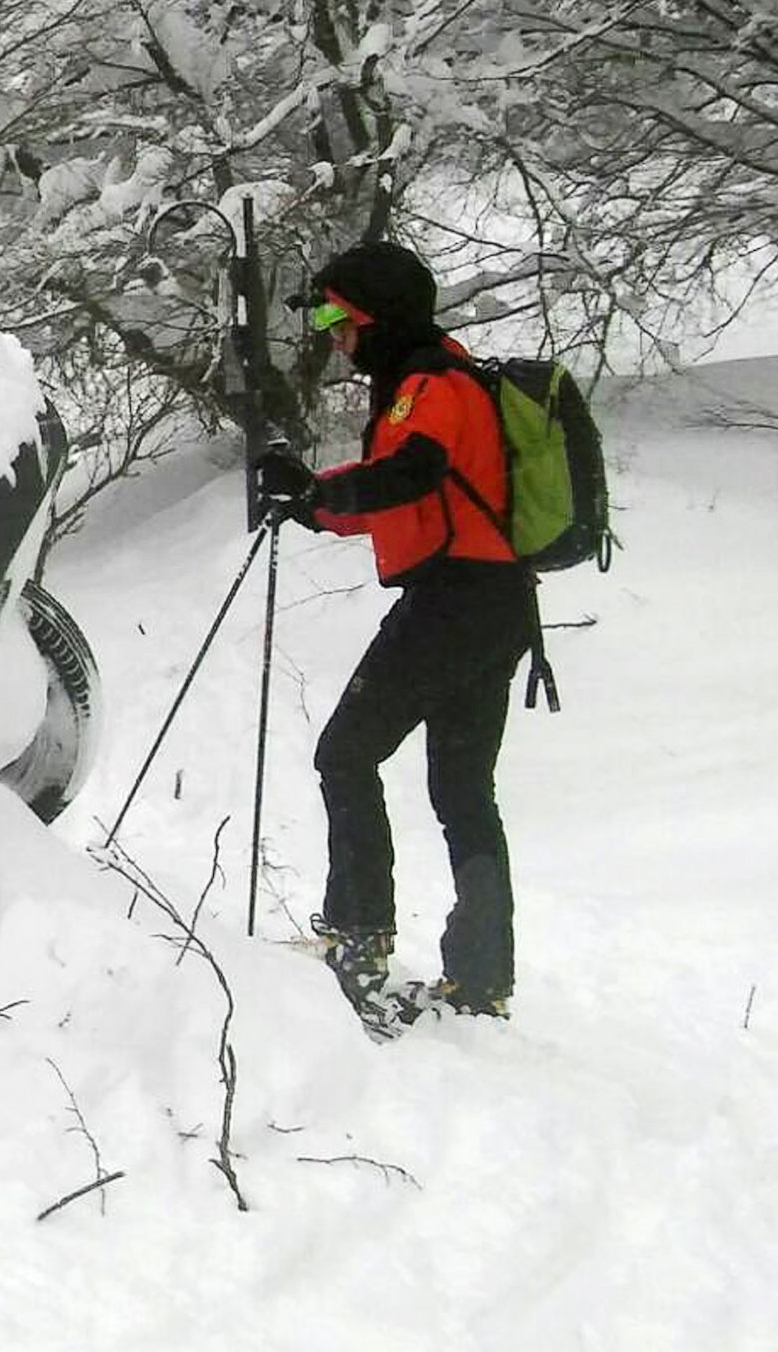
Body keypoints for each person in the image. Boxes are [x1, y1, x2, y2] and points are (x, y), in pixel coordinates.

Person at [254, 238, 531, 1019]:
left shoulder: (429, 384)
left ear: (379, 316)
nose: (335, 336)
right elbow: (410, 496)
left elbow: (411, 473)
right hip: (492, 603)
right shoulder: (438, 377)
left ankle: (358, 934)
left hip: (456, 604)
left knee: (344, 754)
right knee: (462, 789)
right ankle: (481, 977)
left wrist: (318, 490)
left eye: (342, 319)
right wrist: (314, 504)